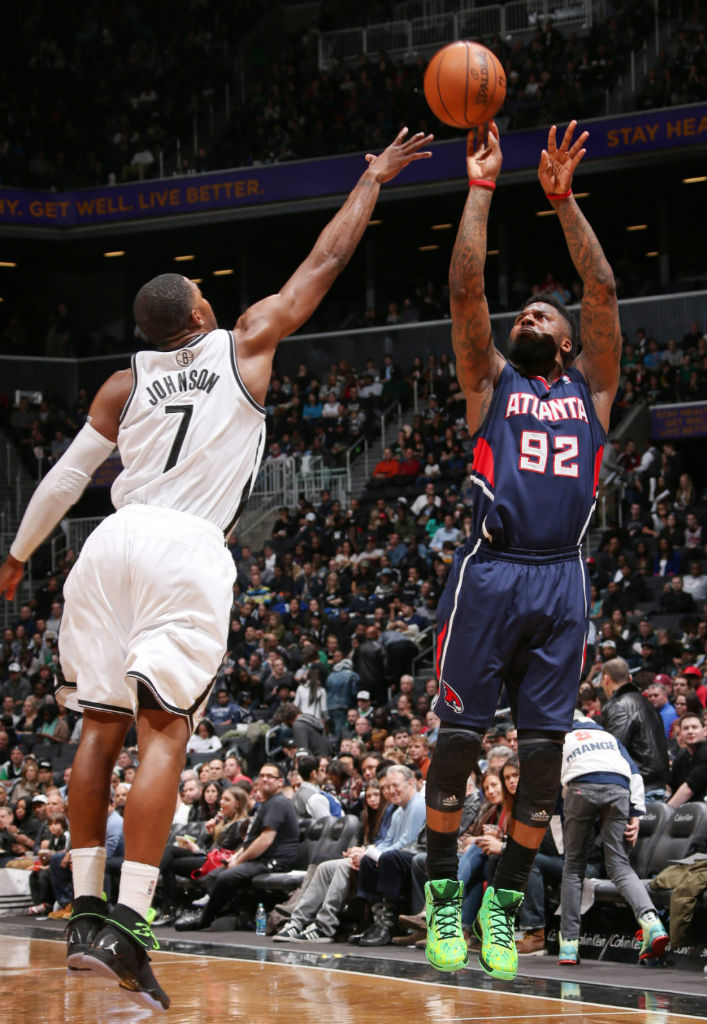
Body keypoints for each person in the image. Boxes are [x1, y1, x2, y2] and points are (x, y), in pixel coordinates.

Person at [0, 126, 433, 1011]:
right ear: (197, 316)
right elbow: (323, 261)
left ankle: (84, 913)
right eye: (203, 290)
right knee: (165, 734)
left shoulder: (122, 383)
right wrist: (372, 180)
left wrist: (12, 562)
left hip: (105, 546)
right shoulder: (244, 341)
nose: (210, 293)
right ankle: (127, 922)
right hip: (187, 547)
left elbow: (66, 478)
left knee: (96, 731)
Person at [423, 120, 621, 982]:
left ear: (569, 340)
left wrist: (563, 201)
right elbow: (466, 289)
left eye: (544, 311)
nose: (528, 315)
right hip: (491, 571)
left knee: (543, 761)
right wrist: (479, 189)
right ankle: (438, 895)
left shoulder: (596, 389)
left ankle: (502, 907)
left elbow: (604, 286)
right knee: (460, 744)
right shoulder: (489, 383)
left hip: (561, 580)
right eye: (524, 312)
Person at [557, 713, 669, 965]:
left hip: (579, 786)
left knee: (573, 867)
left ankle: (569, 944)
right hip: (618, 787)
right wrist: (636, 813)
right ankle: (652, 922)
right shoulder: (608, 736)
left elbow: (552, 780)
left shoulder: (561, 735)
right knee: (619, 865)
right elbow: (636, 775)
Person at [600, 657, 669, 801]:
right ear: (630, 678)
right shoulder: (648, 703)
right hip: (656, 787)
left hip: (638, 791)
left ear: (606, 679)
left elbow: (614, 750)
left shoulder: (619, 706)